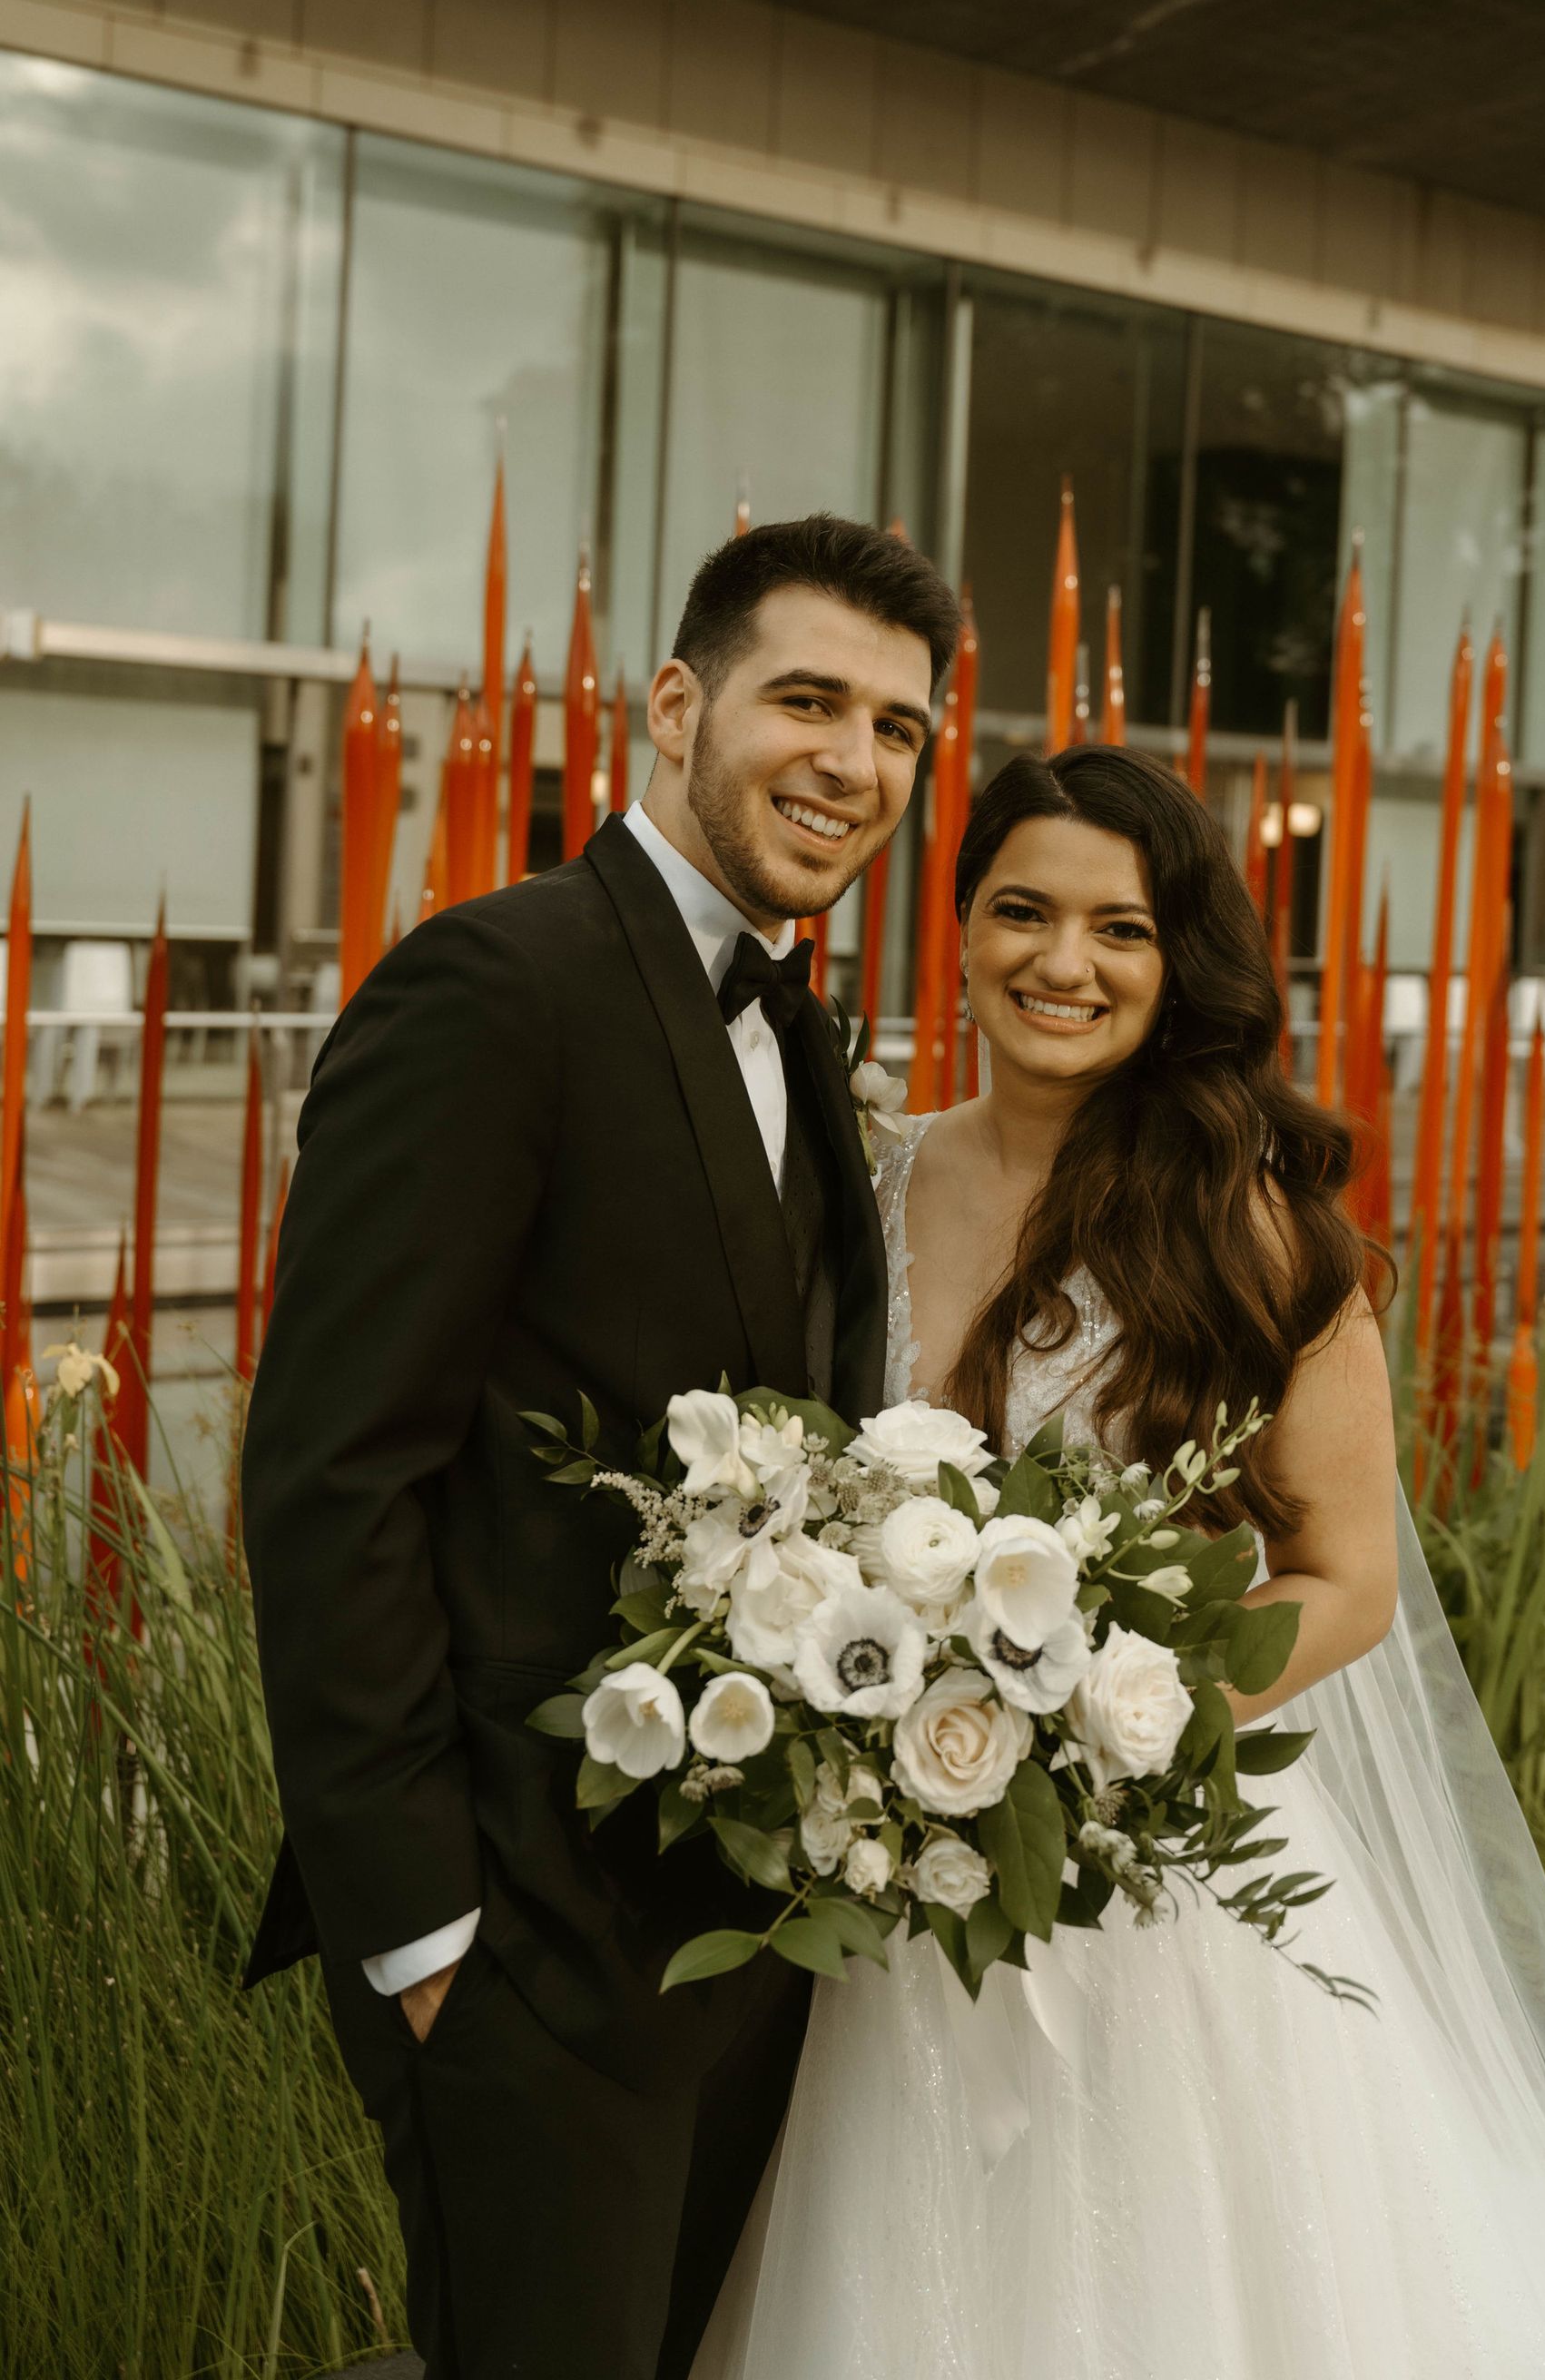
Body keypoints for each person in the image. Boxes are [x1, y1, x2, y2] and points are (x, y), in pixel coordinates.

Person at [696, 744, 1545, 2380]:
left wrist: (1114, 1714)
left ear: (1180, 962)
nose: (1064, 961)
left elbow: (1350, 1576)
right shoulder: (864, 1181)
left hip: (1159, 1851)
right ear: (960, 929)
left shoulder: (1255, 1231)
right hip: (892, 1858)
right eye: (1021, 910)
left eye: (1119, 927)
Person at [240, 515, 961, 2380]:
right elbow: (335, 1475)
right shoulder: (494, 987)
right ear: (672, 705)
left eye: (899, 729)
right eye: (808, 699)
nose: (854, 762)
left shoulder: (798, 1028)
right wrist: (422, 1942)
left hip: (740, 1939)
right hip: (523, 1954)